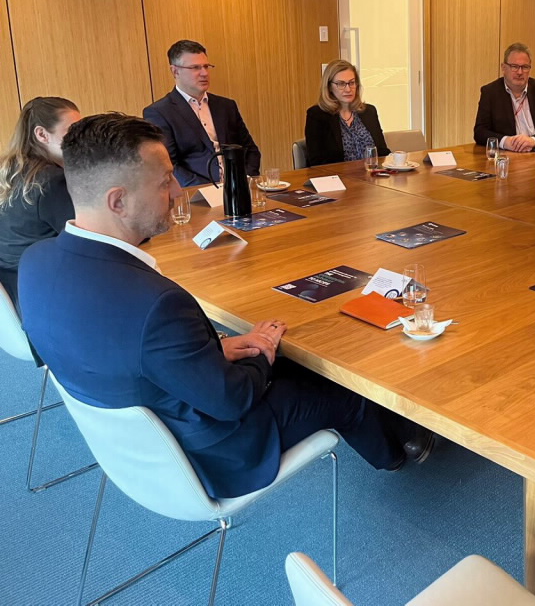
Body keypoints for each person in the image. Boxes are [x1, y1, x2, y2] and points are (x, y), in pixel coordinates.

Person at [18, 114, 432, 499]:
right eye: (164, 182)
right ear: (117, 201)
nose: (178, 191)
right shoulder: (155, 304)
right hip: (209, 449)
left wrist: (214, 350)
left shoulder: (35, 263)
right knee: (337, 388)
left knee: (269, 355)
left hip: (133, 435)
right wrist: (263, 352)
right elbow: (231, 401)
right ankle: (395, 454)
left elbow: (123, 346)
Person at [143, 39, 261, 187]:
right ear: (175, 71)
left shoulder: (226, 106)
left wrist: (245, 180)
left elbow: (250, 149)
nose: (204, 73)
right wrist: (209, 190)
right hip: (196, 195)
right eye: (195, 68)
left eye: (206, 66)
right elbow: (169, 166)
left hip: (238, 189)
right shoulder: (159, 113)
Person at [0, 97, 81, 307]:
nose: (79, 140)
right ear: (42, 134)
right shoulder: (51, 179)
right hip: (46, 295)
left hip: (13, 291)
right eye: (72, 132)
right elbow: (88, 237)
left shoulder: (10, 171)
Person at [473, 43, 535, 152]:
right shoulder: (490, 92)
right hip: (509, 154)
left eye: (525, 67)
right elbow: (480, 131)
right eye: (514, 67)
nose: (520, 72)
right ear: (503, 67)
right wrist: (505, 141)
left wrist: (534, 141)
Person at [304, 60, 390, 168]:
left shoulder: (369, 112)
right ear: (329, 87)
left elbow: (382, 152)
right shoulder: (317, 115)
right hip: (336, 180)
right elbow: (317, 162)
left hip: (372, 177)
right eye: (341, 84)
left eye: (352, 83)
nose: (348, 89)